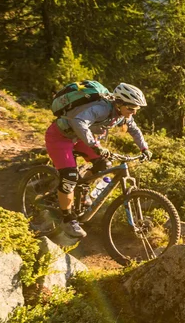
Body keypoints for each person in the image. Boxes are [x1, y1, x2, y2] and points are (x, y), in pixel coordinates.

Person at [44, 83, 152, 238]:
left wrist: (144, 148)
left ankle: (82, 191)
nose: (133, 112)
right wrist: (94, 145)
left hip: (80, 138)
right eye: (131, 108)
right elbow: (79, 122)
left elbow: (134, 130)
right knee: (69, 177)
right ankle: (68, 219)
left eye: (136, 109)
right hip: (60, 137)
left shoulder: (122, 115)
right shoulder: (101, 108)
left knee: (104, 164)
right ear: (119, 103)